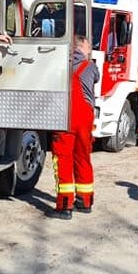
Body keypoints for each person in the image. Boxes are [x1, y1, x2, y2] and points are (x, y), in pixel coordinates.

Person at [47, 36, 101, 219]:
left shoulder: (59, 63)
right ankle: (84, 202)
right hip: (85, 118)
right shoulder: (90, 67)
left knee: (63, 158)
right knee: (83, 157)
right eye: (87, 47)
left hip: (64, 116)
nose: (89, 50)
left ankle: (64, 206)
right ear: (81, 46)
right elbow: (96, 78)